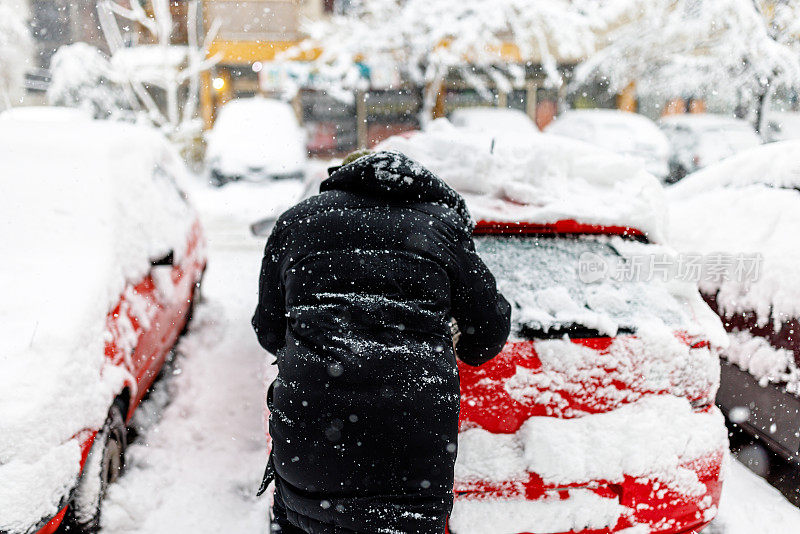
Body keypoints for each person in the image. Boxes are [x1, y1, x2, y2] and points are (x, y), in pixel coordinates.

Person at [252, 151, 511, 534]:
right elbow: (487, 335)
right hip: (408, 449)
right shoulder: (441, 226)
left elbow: (269, 332)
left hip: (310, 439)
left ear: (342, 179)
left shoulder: (299, 221)